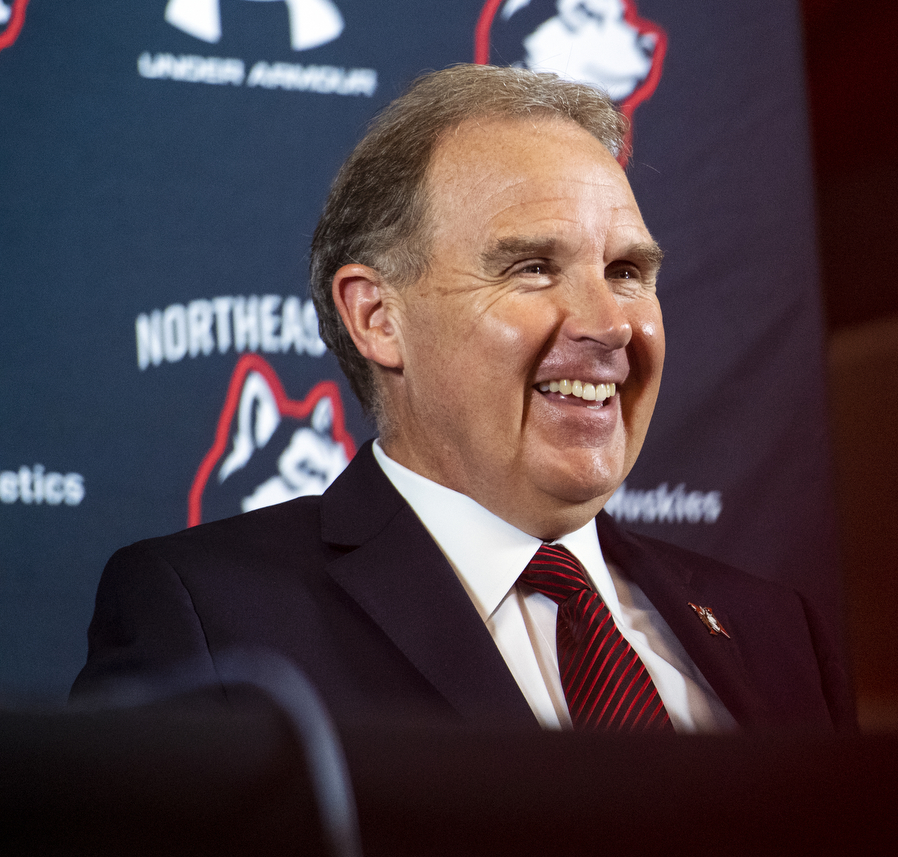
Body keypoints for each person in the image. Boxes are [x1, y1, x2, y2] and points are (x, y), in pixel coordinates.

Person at [73, 64, 855, 733]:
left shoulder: (776, 631)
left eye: (627, 272)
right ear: (378, 318)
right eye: (532, 268)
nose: (609, 323)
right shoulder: (212, 620)